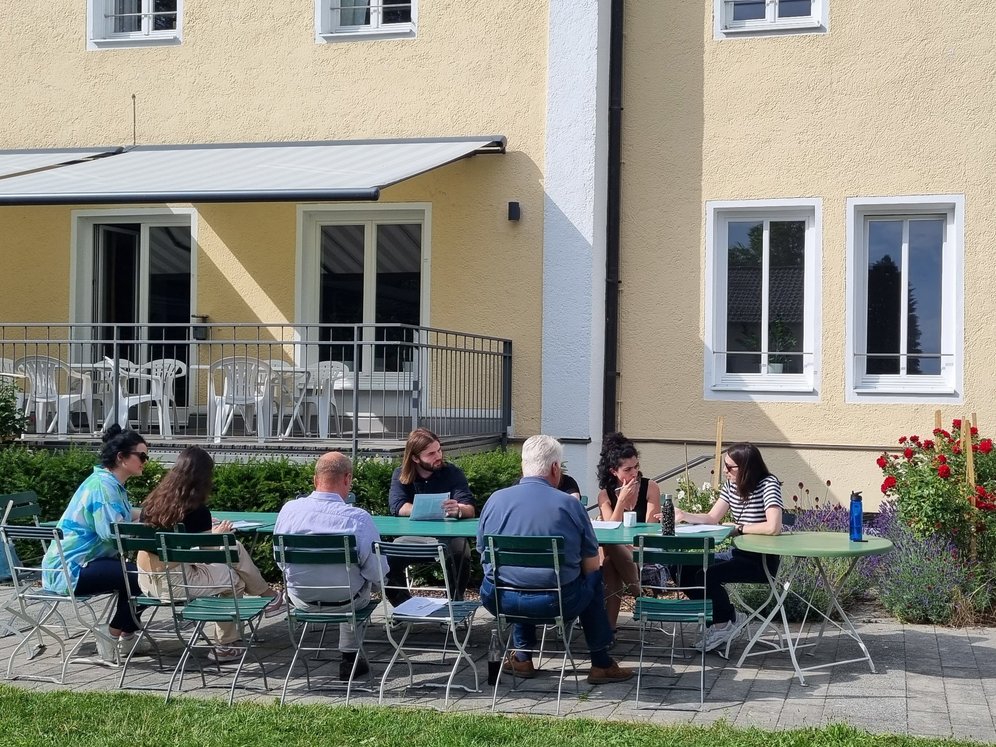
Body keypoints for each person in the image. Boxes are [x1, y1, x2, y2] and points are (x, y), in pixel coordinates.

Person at [477, 435, 633, 684]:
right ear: (554, 468)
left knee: (517, 575)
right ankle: (600, 662)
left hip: (500, 600)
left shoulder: (495, 500)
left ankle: (522, 657)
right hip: (557, 603)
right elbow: (592, 565)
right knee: (592, 578)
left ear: (523, 466)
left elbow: (483, 554)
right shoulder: (569, 506)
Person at [138, 445, 284, 663]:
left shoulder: (152, 504)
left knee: (232, 551)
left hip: (146, 581)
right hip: (177, 584)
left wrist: (210, 534)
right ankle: (227, 643)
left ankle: (266, 598)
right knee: (234, 577)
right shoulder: (196, 509)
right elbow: (208, 554)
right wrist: (217, 535)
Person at [273, 451, 388, 680]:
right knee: (357, 583)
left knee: (350, 580)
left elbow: (280, 561)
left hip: (301, 600)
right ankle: (349, 656)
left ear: (315, 480)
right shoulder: (359, 519)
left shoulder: (289, 511)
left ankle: (347, 657)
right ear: (347, 479)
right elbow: (378, 572)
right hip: (347, 601)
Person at [41, 425, 150, 663]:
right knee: (147, 578)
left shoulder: (109, 483)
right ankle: (111, 634)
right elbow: (112, 534)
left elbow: (126, 514)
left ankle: (127, 635)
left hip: (85, 564)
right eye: (141, 456)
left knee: (139, 578)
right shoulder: (103, 487)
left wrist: (159, 515)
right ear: (121, 458)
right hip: (71, 570)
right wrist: (152, 529)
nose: (145, 461)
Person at [673, 441, 783, 652]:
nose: (725, 471)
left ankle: (723, 625)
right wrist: (684, 516)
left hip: (760, 561)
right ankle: (727, 616)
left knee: (706, 574)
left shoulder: (768, 484)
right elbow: (712, 517)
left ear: (746, 468)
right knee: (682, 567)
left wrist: (739, 528)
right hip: (738, 554)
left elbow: (773, 527)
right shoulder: (732, 486)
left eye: (729, 467)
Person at [386, 428, 475, 604]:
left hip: (447, 538)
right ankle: (404, 607)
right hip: (412, 538)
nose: (438, 456)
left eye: (439, 450)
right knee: (387, 556)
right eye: (431, 453)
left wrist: (458, 509)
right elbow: (397, 507)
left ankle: (454, 605)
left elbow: (469, 508)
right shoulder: (401, 475)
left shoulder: (452, 473)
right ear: (415, 458)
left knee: (461, 549)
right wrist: (425, 508)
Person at [595, 432, 662, 632]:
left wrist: (630, 547)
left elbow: (651, 529)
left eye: (636, 467)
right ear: (614, 471)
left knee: (610, 562)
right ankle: (638, 594)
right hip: (620, 552)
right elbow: (609, 533)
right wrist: (622, 502)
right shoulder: (605, 495)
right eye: (628, 469)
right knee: (611, 557)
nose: (634, 473)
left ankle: (608, 632)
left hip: (645, 551)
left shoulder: (650, 488)